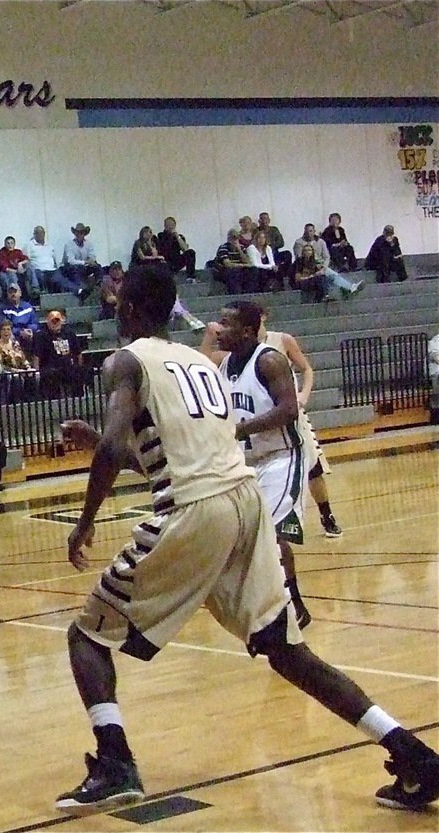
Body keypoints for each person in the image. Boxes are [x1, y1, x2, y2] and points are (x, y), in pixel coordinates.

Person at [54, 267, 439, 815]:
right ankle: (411, 752)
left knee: (87, 635)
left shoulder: (126, 361)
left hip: (196, 510)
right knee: (286, 650)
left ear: (130, 308)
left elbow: (118, 450)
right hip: (244, 503)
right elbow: (175, 457)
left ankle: (115, 764)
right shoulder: (200, 363)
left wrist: (85, 519)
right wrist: (99, 440)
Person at [201, 310, 346, 538]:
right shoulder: (225, 363)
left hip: (282, 452)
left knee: (312, 473)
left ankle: (326, 514)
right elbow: (198, 365)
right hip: (247, 460)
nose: (219, 329)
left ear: (247, 330)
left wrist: (303, 395)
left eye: (225, 324)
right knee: (249, 539)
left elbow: (290, 407)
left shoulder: (271, 356)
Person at [34, 308, 87, 398]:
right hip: (50, 368)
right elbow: (37, 356)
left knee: (79, 372)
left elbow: (78, 353)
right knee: (50, 375)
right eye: (52, 321)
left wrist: (79, 366)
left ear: (61, 321)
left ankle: (78, 398)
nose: (55, 323)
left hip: (68, 366)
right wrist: (37, 372)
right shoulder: (41, 336)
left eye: (57, 320)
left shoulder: (69, 333)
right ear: (48, 322)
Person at [60, 223, 102, 301]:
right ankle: (81, 289)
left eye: (81, 233)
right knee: (76, 268)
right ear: (75, 233)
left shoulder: (88, 244)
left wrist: (91, 261)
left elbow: (92, 256)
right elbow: (71, 261)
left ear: (84, 234)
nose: (79, 234)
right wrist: (85, 262)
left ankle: (98, 285)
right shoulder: (69, 244)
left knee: (98, 267)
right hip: (69, 268)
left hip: (84, 266)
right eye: (78, 232)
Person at [212, 229, 259, 294]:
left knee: (253, 270)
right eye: (232, 239)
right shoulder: (223, 248)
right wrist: (241, 265)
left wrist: (239, 250)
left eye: (236, 238)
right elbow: (228, 264)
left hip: (239, 269)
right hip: (225, 270)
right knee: (233, 272)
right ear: (228, 239)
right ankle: (235, 293)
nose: (234, 241)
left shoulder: (242, 247)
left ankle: (250, 292)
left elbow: (248, 262)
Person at [0, 284, 37, 356]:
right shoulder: (2, 309)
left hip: (28, 335)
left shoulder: (28, 307)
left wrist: (29, 330)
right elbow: (2, 325)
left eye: (15, 292)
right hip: (13, 336)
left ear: (20, 293)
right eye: (10, 292)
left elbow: (35, 323)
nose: (13, 294)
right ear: (7, 295)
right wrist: (20, 332)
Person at [22, 225, 58, 301]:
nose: (40, 235)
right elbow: (26, 260)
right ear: (34, 234)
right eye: (37, 233)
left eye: (42, 233)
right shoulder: (29, 245)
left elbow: (55, 260)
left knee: (60, 276)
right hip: (38, 270)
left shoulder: (49, 245)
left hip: (51, 269)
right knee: (40, 275)